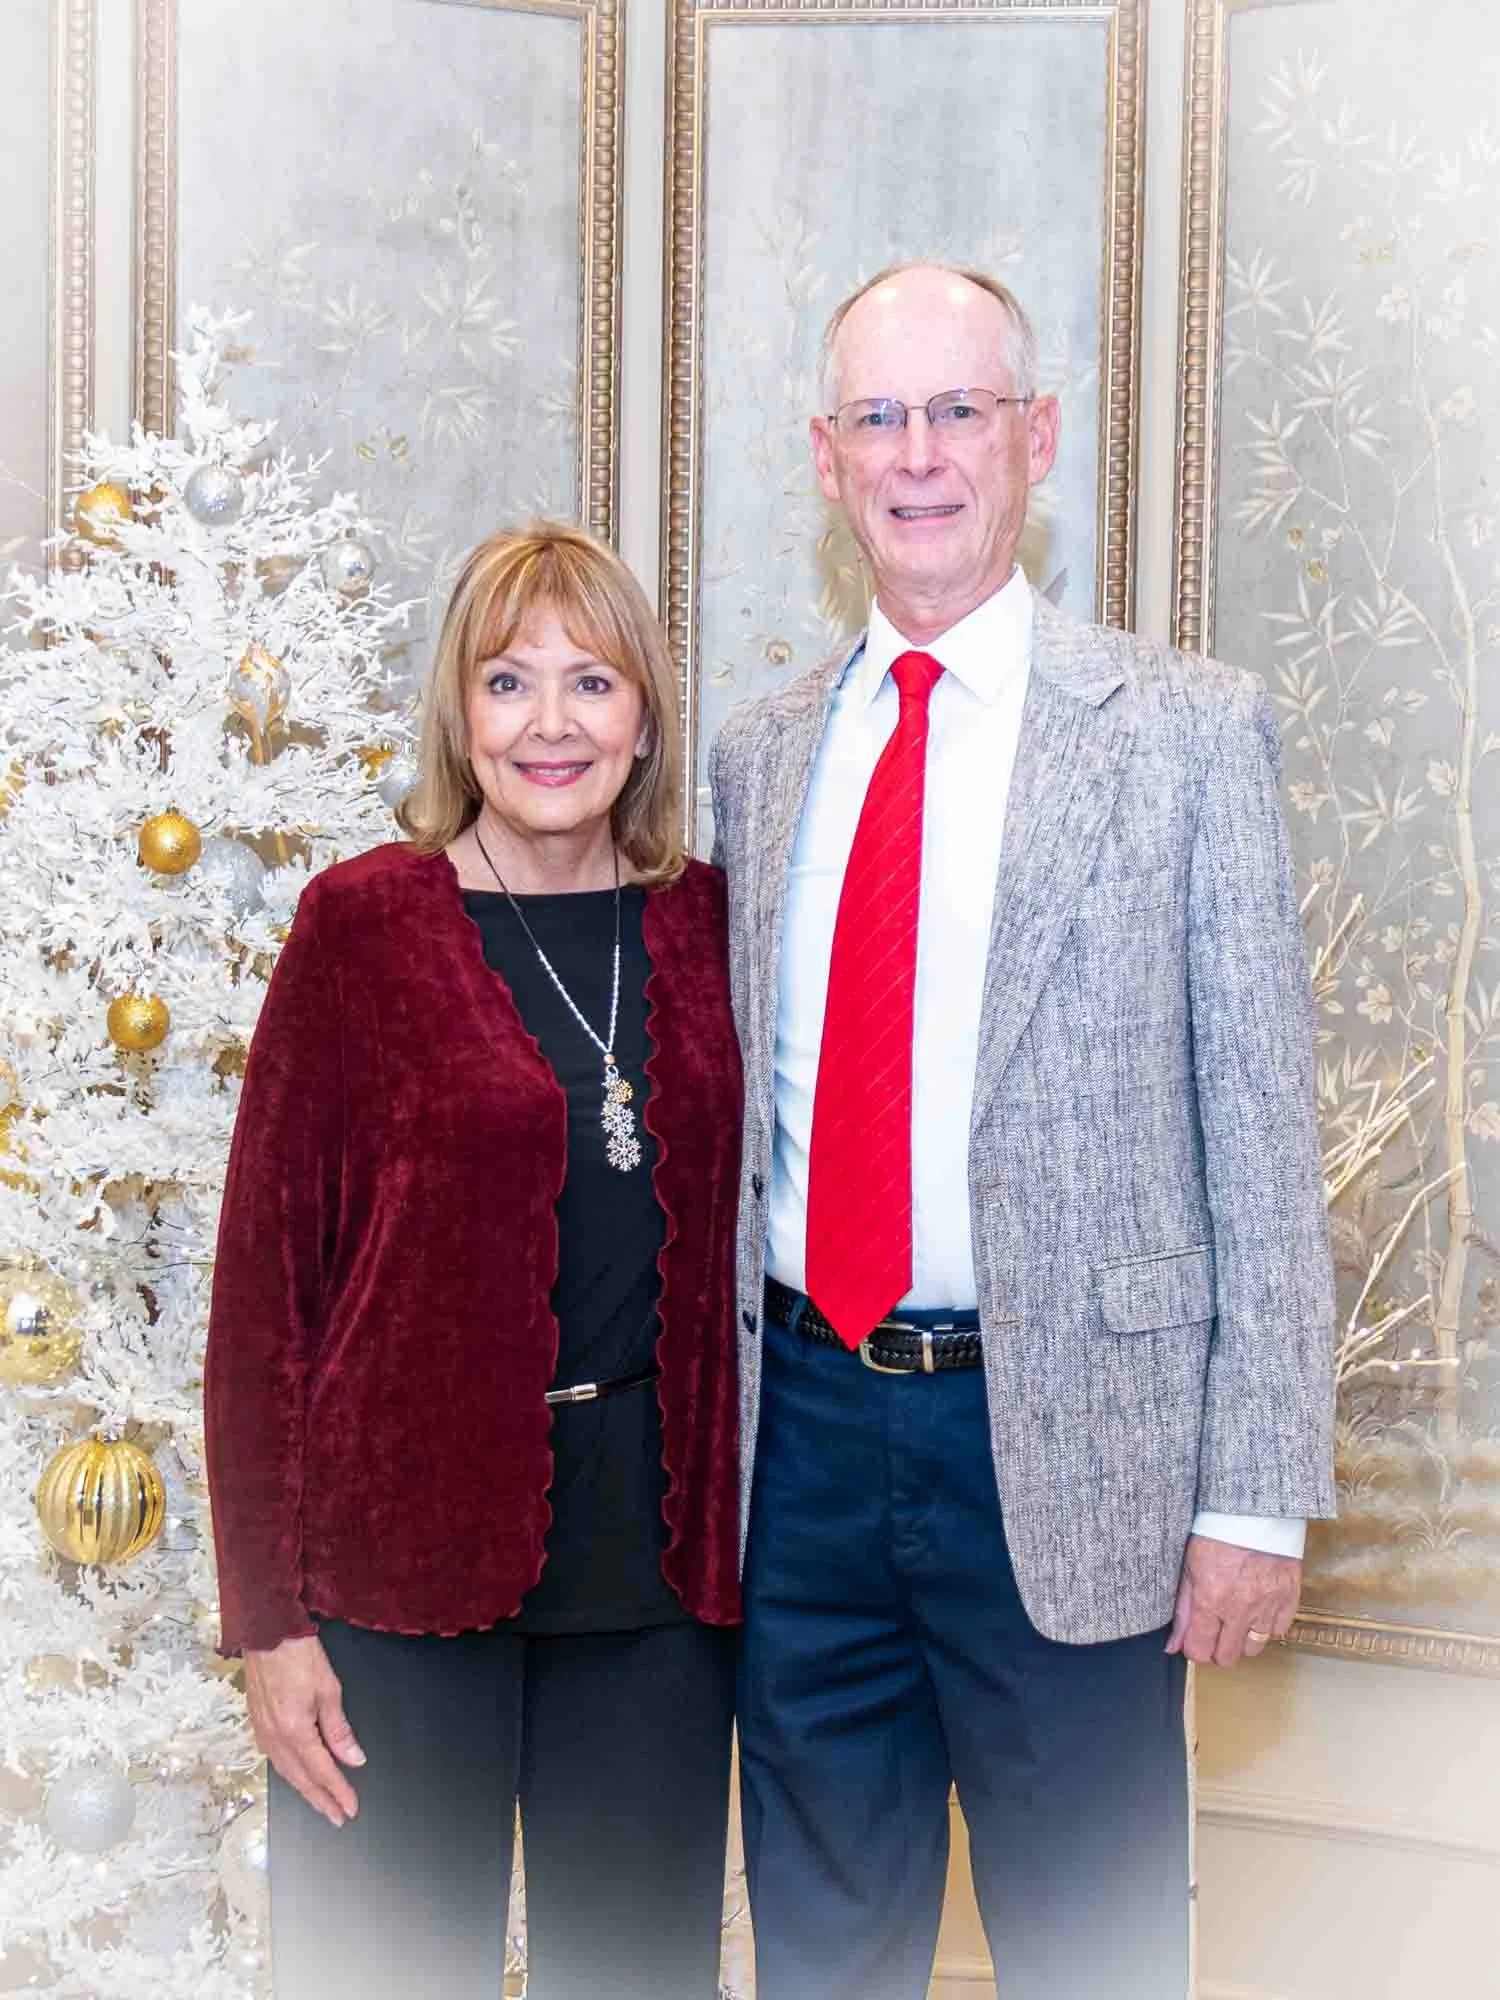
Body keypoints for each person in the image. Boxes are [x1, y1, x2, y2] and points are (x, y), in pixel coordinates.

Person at [708, 263, 1336, 2000]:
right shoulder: (758, 754)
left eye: (958, 411)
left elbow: (1263, 1135)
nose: (919, 456)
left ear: (1035, 438)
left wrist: (1259, 1497)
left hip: (1082, 1457)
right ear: (825, 460)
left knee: (1096, 1959)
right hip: (808, 1447)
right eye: (877, 419)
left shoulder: (1187, 735)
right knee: (823, 1950)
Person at [205, 522, 743, 2000]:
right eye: (509, 683)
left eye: (591, 683)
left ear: (643, 717)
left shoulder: (703, 925)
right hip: (393, 1594)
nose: (551, 724)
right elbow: (261, 1302)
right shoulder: (362, 929)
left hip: (655, 1598)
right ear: (460, 712)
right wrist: (268, 1623)